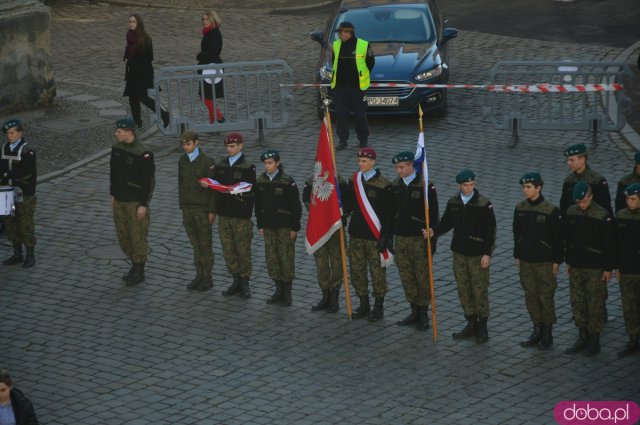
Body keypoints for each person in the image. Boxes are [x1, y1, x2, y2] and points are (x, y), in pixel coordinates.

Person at [429, 170, 496, 343]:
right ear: (460, 185)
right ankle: (471, 322)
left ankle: (482, 327)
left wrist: (487, 254)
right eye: (465, 185)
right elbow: (446, 222)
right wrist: (433, 231)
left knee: (479, 290)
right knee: (463, 289)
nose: (469, 188)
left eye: (471, 185)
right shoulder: (454, 202)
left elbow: (490, 232)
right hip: (459, 253)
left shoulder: (484, 204)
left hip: (477, 254)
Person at [559, 143, 613, 321]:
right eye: (568, 160)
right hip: (576, 234)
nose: (569, 163)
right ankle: (582, 314)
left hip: (595, 236)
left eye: (572, 160)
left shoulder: (597, 181)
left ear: (583, 159)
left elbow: (606, 211)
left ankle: (599, 308)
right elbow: (564, 208)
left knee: (597, 284)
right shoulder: (569, 181)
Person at [512, 173, 563, 350]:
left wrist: (557, 261)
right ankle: (537, 329)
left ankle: (547, 333)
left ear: (538, 188)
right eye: (524, 187)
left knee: (546, 297)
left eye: (528, 187)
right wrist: (517, 255)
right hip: (526, 261)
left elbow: (558, 238)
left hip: (545, 262)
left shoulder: (551, 210)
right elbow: (516, 233)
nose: (525, 190)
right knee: (531, 296)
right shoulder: (520, 208)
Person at [564, 182, 615, 356]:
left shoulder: (602, 215)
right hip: (577, 264)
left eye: (584, 201)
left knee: (594, 303)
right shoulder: (572, 212)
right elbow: (569, 238)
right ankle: (582, 335)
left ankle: (594, 339)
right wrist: (569, 260)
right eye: (579, 202)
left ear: (591, 197)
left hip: (595, 267)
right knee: (577, 301)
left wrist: (608, 268)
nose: (581, 204)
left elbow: (609, 244)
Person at [343, 147, 393, 321]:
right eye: (359, 161)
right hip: (356, 234)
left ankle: (378, 307)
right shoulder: (354, 180)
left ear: (373, 162)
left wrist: (386, 236)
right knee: (357, 271)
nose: (361, 164)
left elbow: (388, 214)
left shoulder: (384, 185)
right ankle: (363, 304)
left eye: (364, 161)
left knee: (377, 273)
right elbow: (349, 205)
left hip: (374, 237)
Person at [391, 151, 438, 330]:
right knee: (406, 275)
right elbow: (390, 213)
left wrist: (432, 240)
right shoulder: (395, 185)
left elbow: (433, 215)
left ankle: (424, 312)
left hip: (419, 239)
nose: (399, 171)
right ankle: (413, 310)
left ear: (412, 166)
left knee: (422, 276)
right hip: (401, 238)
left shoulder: (425, 186)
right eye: (397, 168)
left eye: (402, 167)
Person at [109, 117, 155, 285]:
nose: (116, 134)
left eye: (119, 132)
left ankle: (139, 269)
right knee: (123, 235)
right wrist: (113, 194)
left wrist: (144, 204)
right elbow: (113, 173)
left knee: (138, 236)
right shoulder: (116, 148)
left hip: (135, 202)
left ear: (130, 132)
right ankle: (134, 264)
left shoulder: (143, 153)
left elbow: (149, 182)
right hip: (120, 199)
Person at [254, 150, 301, 306]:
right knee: (272, 258)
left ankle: (287, 292)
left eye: (270, 163)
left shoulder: (287, 181)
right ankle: (278, 289)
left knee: (286, 257)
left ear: (278, 163)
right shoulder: (260, 180)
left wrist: (294, 227)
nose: (267, 166)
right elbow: (258, 205)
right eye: (266, 163)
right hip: (268, 226)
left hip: (284, 227)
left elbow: (296, 206)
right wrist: (260, 224)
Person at [214, 133, 256, 299]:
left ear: (240, 146)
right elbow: (216, 184)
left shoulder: (247, 166)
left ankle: (245, 282)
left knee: (242, 249)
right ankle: (235, 279)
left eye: (232, 146)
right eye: (228, 147)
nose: (229, 149)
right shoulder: (222, 164)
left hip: (240, 214)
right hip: (224, 213)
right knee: (228, 249)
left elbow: (251, 189)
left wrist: (235, 190)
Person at [178, 130, 217, 291]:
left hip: (202, 209)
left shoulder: (207, 162)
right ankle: (199, 274)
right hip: (188, 208)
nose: (185, 147)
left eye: (188, 144)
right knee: (195, 244)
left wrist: (212, 211)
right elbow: (180, 183)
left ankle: (207, 276)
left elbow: (214, 189)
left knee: (205, 244)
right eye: (183, 144)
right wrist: (182, 205)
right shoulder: (182, 160)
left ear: (196, 143)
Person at [302, 174, 347, 313]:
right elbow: (306, 200)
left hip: (335, 229)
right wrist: (320, 214)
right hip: (319, 228)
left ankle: (334, 297)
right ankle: (325, 295)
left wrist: (335, 216)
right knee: (321, 264)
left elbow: (347, 203)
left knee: (336, 263)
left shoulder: (340, 182)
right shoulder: (311, 182)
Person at [331, 21, 375, 150]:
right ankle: (342, 141)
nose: (340, 35)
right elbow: (334, 62)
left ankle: (363, 140)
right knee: (341, 115)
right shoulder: (336, 45)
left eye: (342, 32)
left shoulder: (363, 45)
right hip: (340, 87)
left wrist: (361, 75)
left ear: (349, 32)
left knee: (360, 115)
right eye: (339, 32)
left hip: (357, 87)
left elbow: (370, 63)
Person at [1, 119, 37, 269]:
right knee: (10, 223)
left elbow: (26, 172)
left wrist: (6, 174)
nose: (9, 136)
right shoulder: (5, 148)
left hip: (24, 194)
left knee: (25, 223)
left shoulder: (28, 151)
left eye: (12, 133)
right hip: (6, 193)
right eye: (7, 134)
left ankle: (30, 255)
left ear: (20, 133)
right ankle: (17, 253)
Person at [123, 14, 169, 128]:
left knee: (142, 97)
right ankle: (137, 122)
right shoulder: (129, 35)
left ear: (139, 23)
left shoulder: (145, 38)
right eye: (130, 21)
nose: (131, 23)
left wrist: (136, 63)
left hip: (143, 72)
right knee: (132, 97)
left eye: (134, 21)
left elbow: (149, 57)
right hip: (133, 72)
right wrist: (127, 56)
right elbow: (129, 51)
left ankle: (164, 115)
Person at [614, 183, 640, 357]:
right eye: (627, 199)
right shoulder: (621, 216)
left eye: (633, 199)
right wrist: (617, 267)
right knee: (629, 306)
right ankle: (633, 339)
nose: (629, 202)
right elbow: (616, 244)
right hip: (627, 269)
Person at [197, 10, 225, 124]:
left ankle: (218, 118)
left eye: (206, 19)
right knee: (207, 97)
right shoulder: (210, 32)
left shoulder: (214, 33)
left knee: (205, 97)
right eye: (203, 19)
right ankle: (215, 121)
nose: (204, 21)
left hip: (211, 69)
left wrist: (200, 56)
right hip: (208, 68)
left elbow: (212, 52)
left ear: (212, 19)